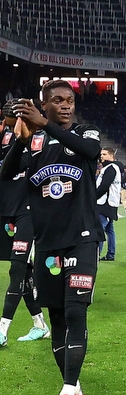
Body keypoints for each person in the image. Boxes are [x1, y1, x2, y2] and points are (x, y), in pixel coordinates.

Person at [0, 82, 104, 395]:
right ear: (43, 105)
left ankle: (66, 394)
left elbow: (89, 153)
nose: (65, 105)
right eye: (57, 101)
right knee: (57, 315)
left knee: (75, 311)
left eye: (69, 100)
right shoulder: (35, 141)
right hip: (47, 244)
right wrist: (20, 138)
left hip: (82, 238)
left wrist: (44, 125)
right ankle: (73, 389)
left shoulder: (86, 132)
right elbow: (6, 172)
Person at [0, 100, 47, 345]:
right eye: (9, 123)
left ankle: (2, 329)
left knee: (17, 269)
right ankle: (39, 324)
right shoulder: (6, 139)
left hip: (27, 214)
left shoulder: (41, 143)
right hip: (5, 213)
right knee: (24, 272)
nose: (14, 127)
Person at [95, 148, 122, 262]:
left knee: (99, 229)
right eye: (101, 154)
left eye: (104, 154)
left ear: (111, 156)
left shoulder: (110, 168)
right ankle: (111, 254)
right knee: (110, 230)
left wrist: (93, 197)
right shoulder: (111, 168)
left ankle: (96, 254)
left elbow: (104, 186)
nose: (102, 156)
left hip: (105, 203)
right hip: (110, 203)